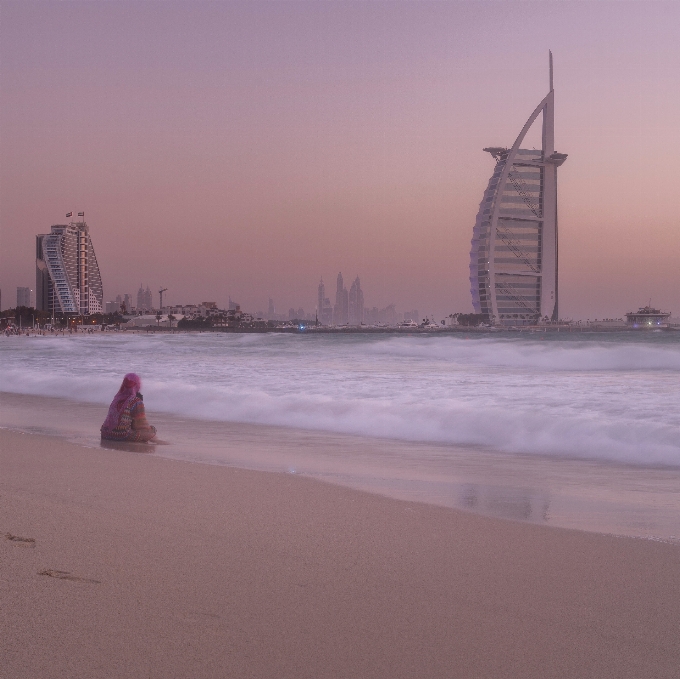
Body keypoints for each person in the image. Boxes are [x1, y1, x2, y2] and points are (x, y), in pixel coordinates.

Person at [100, 373, 157, 443]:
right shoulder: (136, 401)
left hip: (105, 434)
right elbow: (142, 425)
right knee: (152, 430)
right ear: (138, 385)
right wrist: (151, 435)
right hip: (122, 435)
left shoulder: (116, 399)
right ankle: (158, 441)